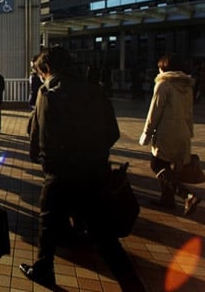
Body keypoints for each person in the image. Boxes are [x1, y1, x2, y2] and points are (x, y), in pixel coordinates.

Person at [22, 46, 145, 291]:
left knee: (47, 223)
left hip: (61, 174)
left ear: (46, 69)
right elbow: (113, 132)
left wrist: (48, 161)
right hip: (94, 172)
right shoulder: (95, 91)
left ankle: (44, 269)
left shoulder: (48, 95)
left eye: (39, 73)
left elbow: (37, 141)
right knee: (106, 238)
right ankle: (133, 286)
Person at [139, 53, 201, 215]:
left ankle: (187, 195)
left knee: (157, 165)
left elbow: (155, 112)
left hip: (166, 133)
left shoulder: (163, 85)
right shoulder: (187, 86)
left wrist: (146, 133)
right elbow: (189, 112)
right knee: (169, 167)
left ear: (164, 67)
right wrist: (189, 131)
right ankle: (167, 200)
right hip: (182, 132)